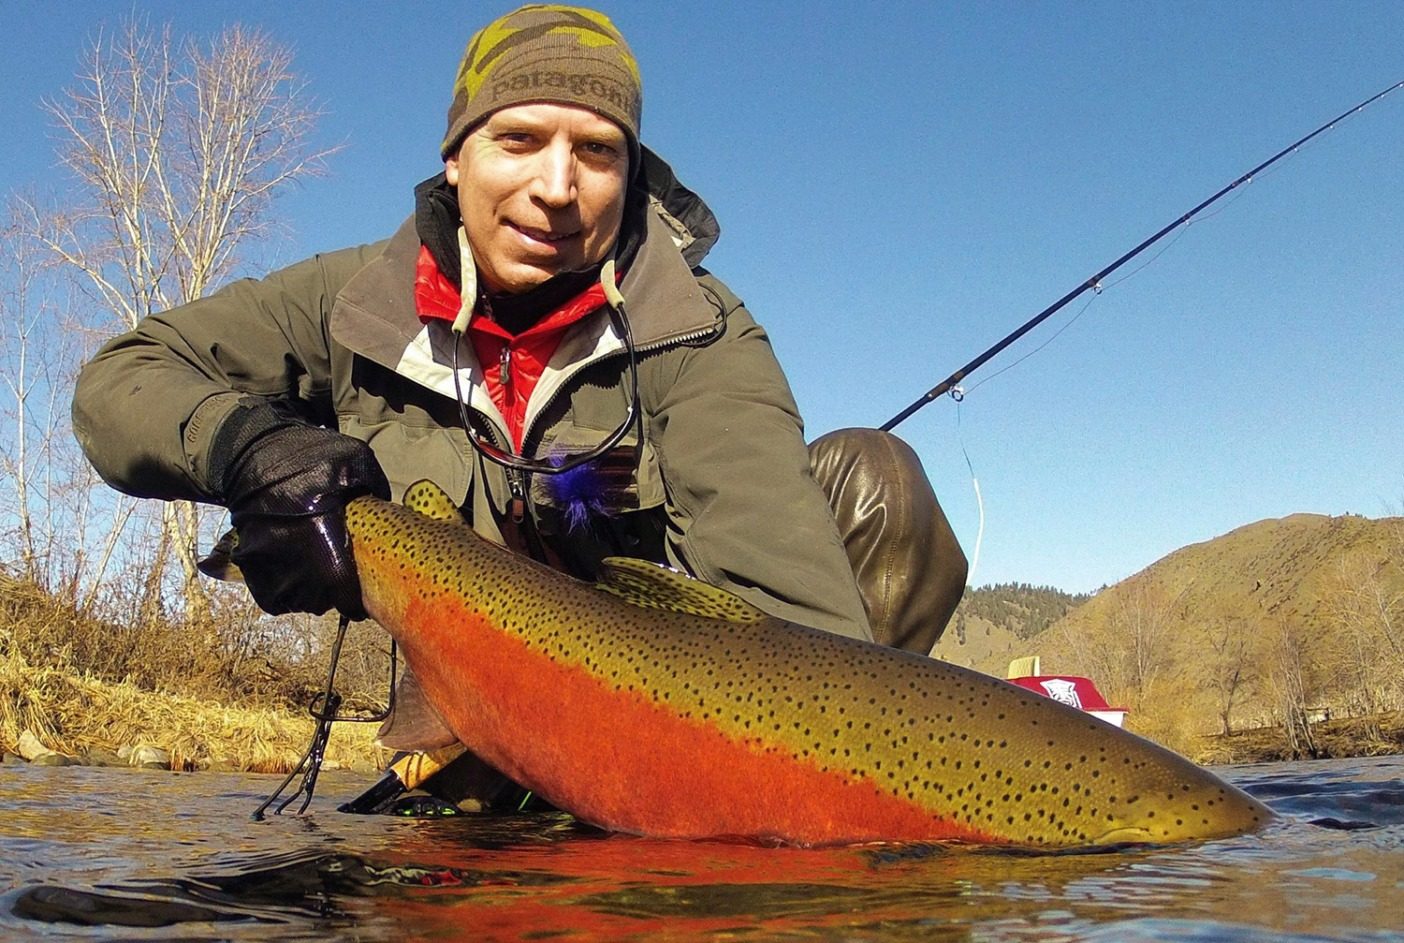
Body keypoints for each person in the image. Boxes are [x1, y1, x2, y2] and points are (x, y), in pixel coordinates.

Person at [72, 4, 967, 807]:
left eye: (597, 151)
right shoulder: (350, 302)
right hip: (471, 722)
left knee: (871, 476)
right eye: (520, 139)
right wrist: (247, 447)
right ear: (456, 158)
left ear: (633, 174)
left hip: (660, 737)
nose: (556, 186)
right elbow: (124, 379)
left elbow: (788, 619)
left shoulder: (695, 328)